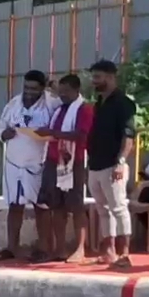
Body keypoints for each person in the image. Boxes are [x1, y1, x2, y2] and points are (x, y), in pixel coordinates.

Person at [0, 70, 54, 261]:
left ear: (42, 88)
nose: (28, 92)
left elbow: (61, 126)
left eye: (33, 88)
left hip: (39, 163)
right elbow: (1, 126)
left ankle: (43, 248)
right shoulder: (14, 103)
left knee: (41, 207)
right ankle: (12, 247)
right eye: (26, 87)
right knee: (15, 206)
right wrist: (5, 134)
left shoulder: (51, 103)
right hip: (14, 163)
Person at [35, 73, 94, 262]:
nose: (62, 96)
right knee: (56, 206)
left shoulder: (84, 109)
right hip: (54, 162)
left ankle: (80, 249)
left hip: (74, 162)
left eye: (66, 92)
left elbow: (81, 135)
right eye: (60, 92)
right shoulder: (60, 110)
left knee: (76, 206)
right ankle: (59, 248)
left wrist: (53, 133)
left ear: (77, 90)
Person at [86, 59, 137, 270]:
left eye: (98, 77)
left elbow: (129, 136)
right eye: (94, 77)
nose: (94, 81)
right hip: (95, 164)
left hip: (113, 165)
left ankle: (125, 254)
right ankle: (109, 251)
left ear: (110, 77)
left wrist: (121, 162)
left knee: (118, 207)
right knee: (102, 209)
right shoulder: (99, 103)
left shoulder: (123, 103)